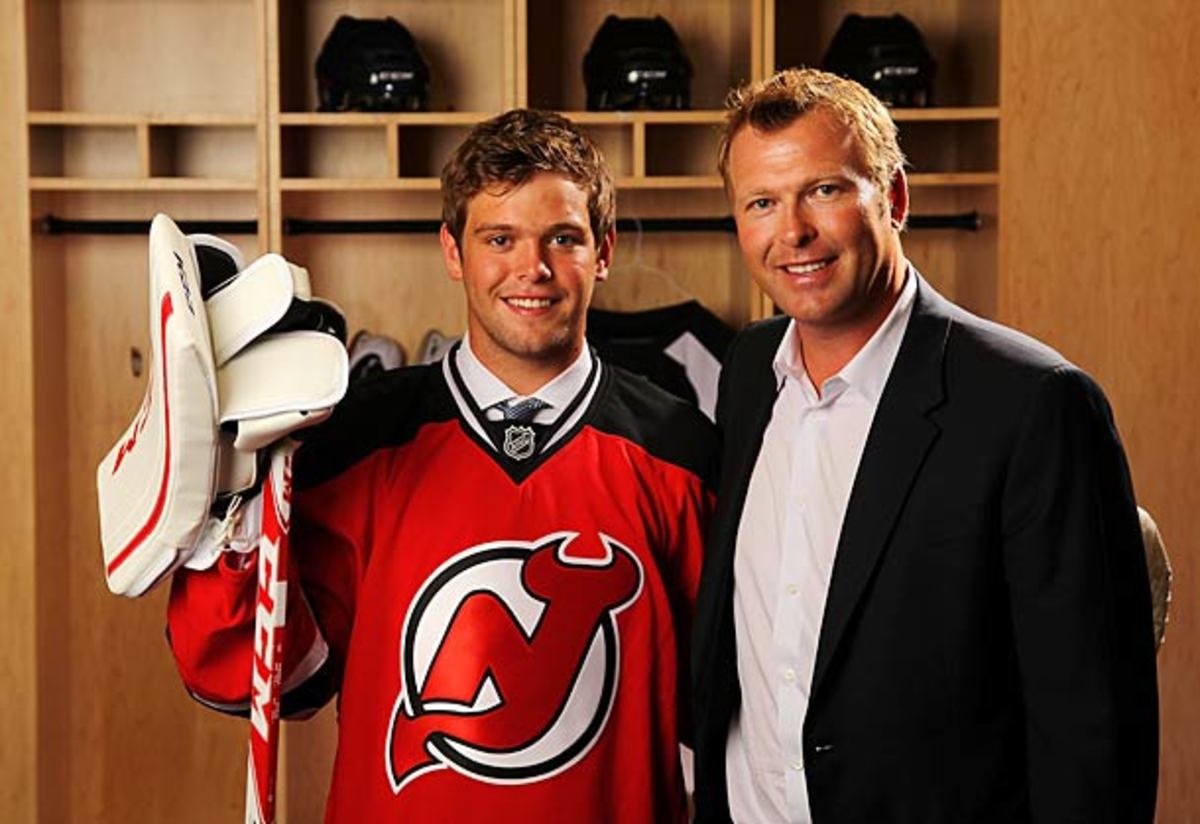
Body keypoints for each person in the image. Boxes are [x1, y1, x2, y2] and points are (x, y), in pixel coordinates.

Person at [167, 109, 715, 823]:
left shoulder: (679, 451)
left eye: (562, 238)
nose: (533, 269)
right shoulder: (360, 437)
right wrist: (236, 522)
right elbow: (269, 678)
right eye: (500, 239)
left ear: (603, 250)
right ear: (453, 250)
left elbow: (730, 707)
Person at [691, 68, 1159, 823]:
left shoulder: (1033, 404)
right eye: (762, 203)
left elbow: (1092, 730)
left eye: (824, 190)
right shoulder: (748, 372)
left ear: (895, 198)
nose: (793, 232)